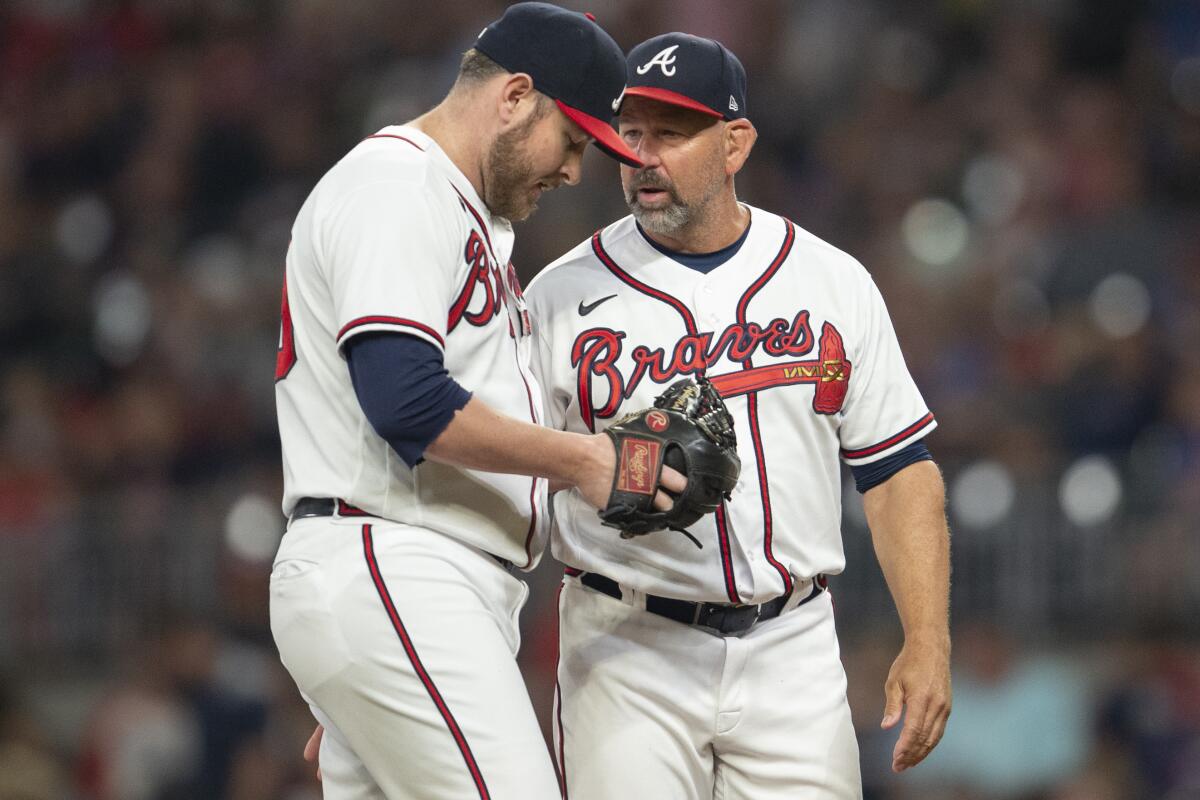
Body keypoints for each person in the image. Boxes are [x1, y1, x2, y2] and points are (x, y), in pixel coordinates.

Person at [269, 5, 688, 799]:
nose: (573, 172)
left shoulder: (457, 208)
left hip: (405, 590)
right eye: (571, 141)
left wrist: (378, 685)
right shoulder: (397, 182)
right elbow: (404, 397)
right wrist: (586, 459)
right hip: (395, 563)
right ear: (514, 96)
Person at [524, 32, 953, 799]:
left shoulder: (830, 279)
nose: (643, 156)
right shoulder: (557, 296)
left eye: (672, 133)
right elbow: (505, 490)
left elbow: (895, 469)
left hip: (792, 644)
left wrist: (927, 637)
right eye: (630, 132)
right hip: (626, 645)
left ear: (735, 143)